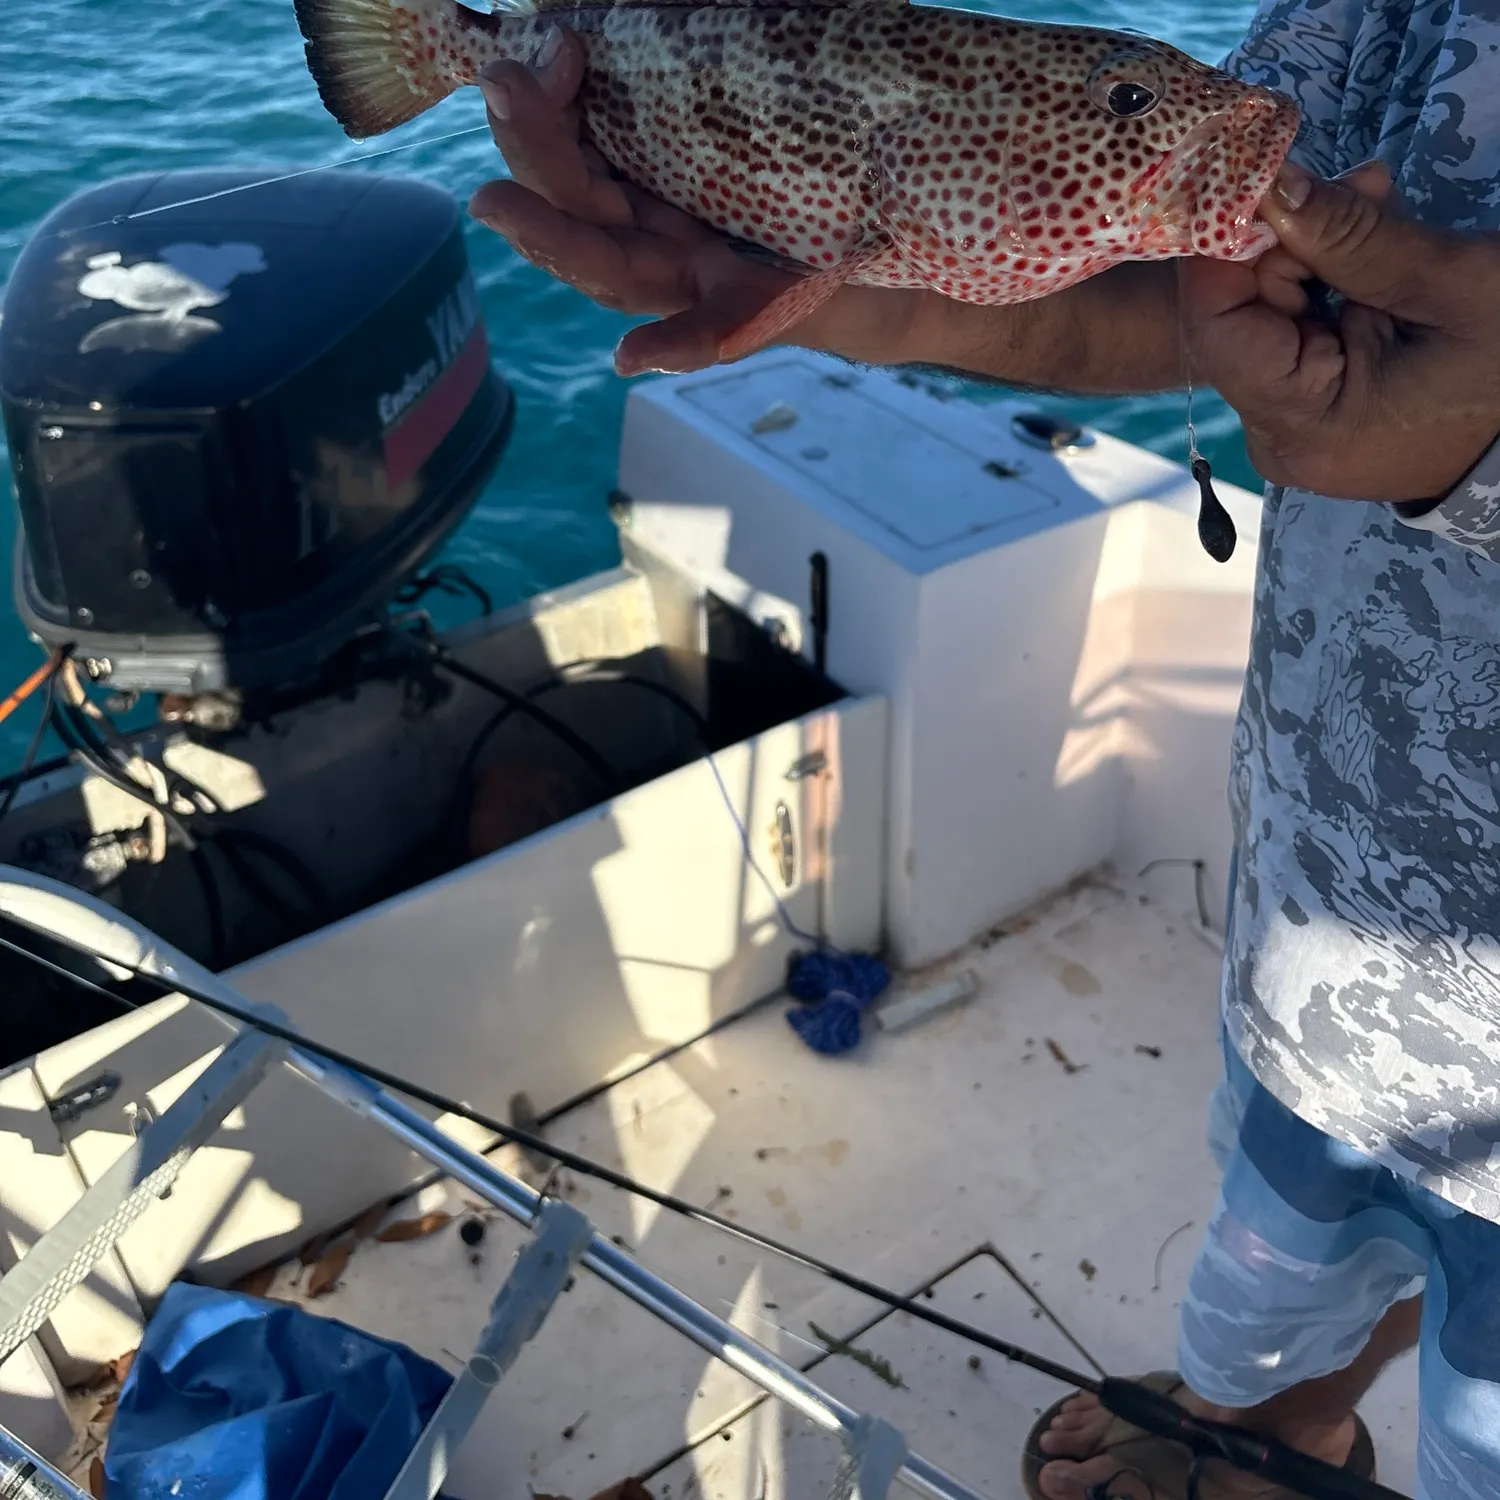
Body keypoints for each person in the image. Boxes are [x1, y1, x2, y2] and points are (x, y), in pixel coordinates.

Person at [466, 3, 1500, 1497]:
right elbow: (1187, 267)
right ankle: (1273, 1432)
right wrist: (886, 287)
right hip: (1334, 899)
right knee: (1304, 1234)